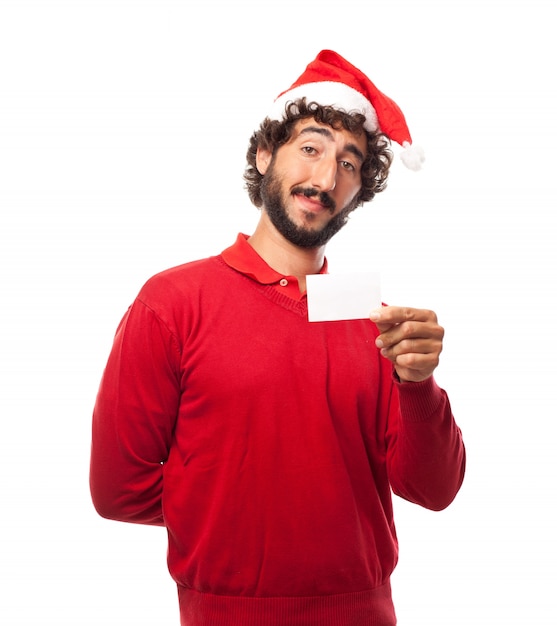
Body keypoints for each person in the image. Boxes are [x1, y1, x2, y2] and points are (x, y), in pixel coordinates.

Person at [90, 50, 466, 626]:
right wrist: (231, 522)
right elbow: (119, 488)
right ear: (266, 153)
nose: (324, 179)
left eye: (349, 163)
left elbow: (435, 490)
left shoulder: (379, 326)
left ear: (359, 191)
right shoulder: (171, 303)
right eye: (310, 148)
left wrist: (418, 383)